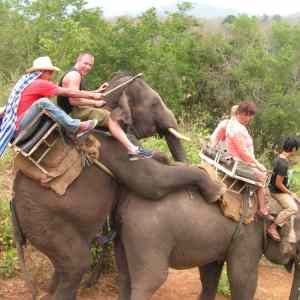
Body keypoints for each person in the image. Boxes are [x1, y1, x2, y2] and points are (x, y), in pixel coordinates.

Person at [0, 56, 106, 157]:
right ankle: (76, 127)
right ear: (42, 72)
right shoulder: (40, 84)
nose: (52, 75)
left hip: (17, 130)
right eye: (50, 72)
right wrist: (93, 96)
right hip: (20, 130)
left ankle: (69, 130)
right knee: (43, 102)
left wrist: (95, 93)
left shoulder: (27, 84)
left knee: (50, 107)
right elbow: (70, 92)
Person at [57, 52, 153, 161]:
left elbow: (77, 93)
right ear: (78, 61)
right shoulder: (75, 75)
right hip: (73, 113)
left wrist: (97, 91)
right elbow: (73, 100)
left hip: (76, 109)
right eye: (85, 63)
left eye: (90, 65)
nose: (88, 67)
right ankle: (132, 149)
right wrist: (95, 103)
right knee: (110, 117)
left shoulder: (74, 74)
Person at [225, 101, 272, 221]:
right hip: (239, 163)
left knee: (262, 171)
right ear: (239, 113)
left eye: (250, 115)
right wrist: (257, 164)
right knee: (262, 176)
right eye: (245, 115)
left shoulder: (234, 124)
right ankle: (262, 209)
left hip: (240, 160)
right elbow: (242, 152)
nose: (248, 118)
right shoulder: (237, 128)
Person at [268, 137, 300, 242]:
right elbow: (278, 184)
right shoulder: (283, 164)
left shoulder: (279, 157)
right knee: (293, 208)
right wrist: (291, 193)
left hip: (277, 188)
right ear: (294, 149)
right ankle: (273, 227)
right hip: (277, 191)